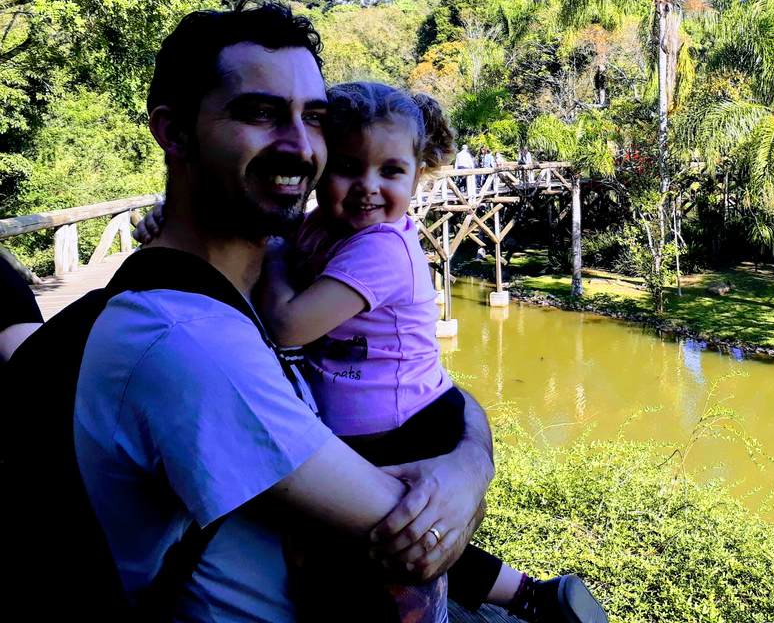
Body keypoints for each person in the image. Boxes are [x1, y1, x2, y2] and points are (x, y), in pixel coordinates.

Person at [4, 2, 492, 622]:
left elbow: (434, 389)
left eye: (314, 118)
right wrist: (472, 463)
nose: (299, 145)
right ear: (174, 132)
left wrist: (465, 447)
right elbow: (417, 539)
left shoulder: (221, 300)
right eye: (260, 113)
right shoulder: (193, 345)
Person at [137, 82, 607, 623]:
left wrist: (272, 251)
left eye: (390, 172)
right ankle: (531, 595)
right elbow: (255, 233)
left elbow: (288, 326)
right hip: (384, 419)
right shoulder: (320, 226)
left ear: (417, 174)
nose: (368, 188)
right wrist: (171, 221)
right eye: (347, 167)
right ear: (317, 168)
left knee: (392, 551)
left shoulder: (383, 246)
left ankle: (489, 603)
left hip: (403, 426)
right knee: (404, 533)